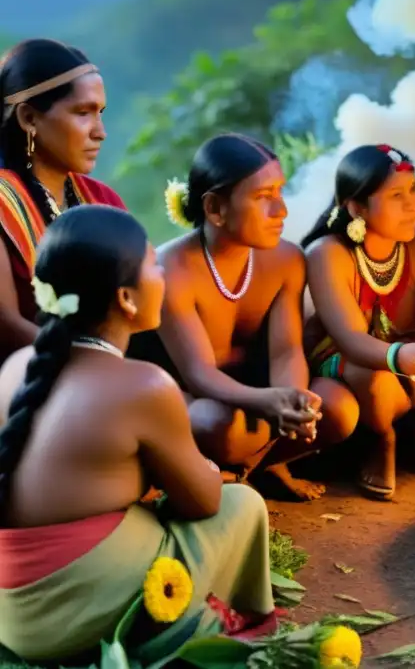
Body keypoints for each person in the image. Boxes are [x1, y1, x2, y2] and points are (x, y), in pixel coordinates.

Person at [0, 206, 275, 665]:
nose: (163, 270)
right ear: (127, 299)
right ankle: (217, 625)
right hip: (76, 616)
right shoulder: (145, 386)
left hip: (12, 614)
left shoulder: (13, 367)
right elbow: (203, 502)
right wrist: (205, 467)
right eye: (152, 262)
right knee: (242, 505)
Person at [128, 134, 357, 501]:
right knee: (219, 426)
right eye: (263, 197)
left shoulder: (287, 260)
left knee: (338, 408)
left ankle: (255, 469)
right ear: (215, 209)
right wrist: (269, 402)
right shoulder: (172, 270)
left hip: (253, 394)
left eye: (280, 192)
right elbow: (199, 375)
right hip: (187, 398)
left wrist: (292, 399)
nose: (281, 210)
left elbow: (286, 350)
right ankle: (217, 473)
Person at [303, 143, 415, 501]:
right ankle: (382, 440)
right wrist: (403, 357)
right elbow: (351, 338)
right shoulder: (327, 254)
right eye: (396, 195)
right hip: (351, 364)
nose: (412, 203)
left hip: (409, 355)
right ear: (356, 207)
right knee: (373, 378)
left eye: (414, 189)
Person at [0, 39, 126, 362]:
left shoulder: (103, 200)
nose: (100, 132)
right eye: (83, 113)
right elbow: (6, 324)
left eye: (100, 113)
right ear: (29, 118)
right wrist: (97, 364)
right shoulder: (3, 203)